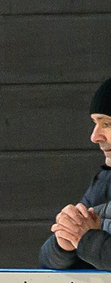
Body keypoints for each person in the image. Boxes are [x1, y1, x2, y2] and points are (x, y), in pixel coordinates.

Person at [37, 77, 111, 270]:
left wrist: (86, 240)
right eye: (95, 123)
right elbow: (47, 262)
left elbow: (88, 242)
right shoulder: (105, 182)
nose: (95, 137)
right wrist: (63, 243)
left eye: (107, 124)